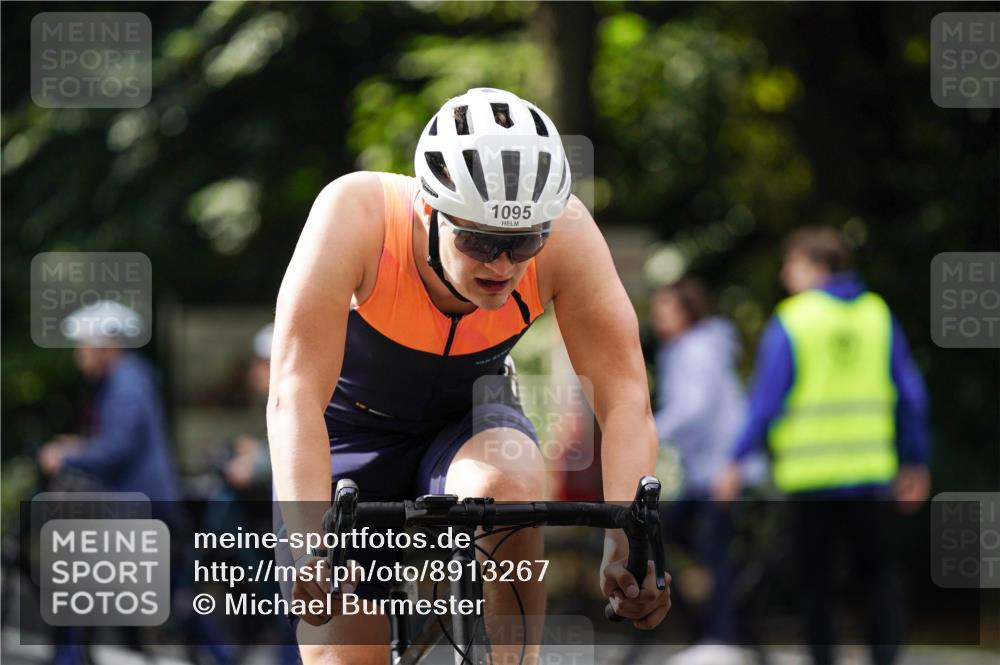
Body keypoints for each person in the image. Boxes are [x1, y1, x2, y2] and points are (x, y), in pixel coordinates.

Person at [268, 87, 671, 665]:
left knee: (506, 494)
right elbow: (294, 395)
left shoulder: (570, 236)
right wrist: (309, 542)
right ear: (428, 210)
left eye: (523, 242)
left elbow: (625, 397)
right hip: (345, 436)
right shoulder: (355, 215)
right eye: (479, 239)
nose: (502, 265)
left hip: (469, 418)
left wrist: (626, 546)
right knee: (342, 649)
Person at [714, 227, 931, 665]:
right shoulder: (877, 315)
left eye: (790, 264)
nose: (783, 274)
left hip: (812, 479)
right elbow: (910, 393)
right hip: (872, 475)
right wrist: (916, 461)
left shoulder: (795, 319)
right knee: (878, 579)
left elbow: (765, 401)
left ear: (817, 266)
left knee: (816, 585)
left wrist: (736, 460)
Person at [37, 300, 235, 665]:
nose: (78, 355)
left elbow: (118, 450)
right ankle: (222, 656)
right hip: (148, 506)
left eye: (83, 345)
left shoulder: (126, 383)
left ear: (106, 345)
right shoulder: (131, 377)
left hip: (141, 507)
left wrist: (65, 455)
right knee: (173, 594)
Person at [649, 277, 747, 662]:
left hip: (723, 470)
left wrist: (647, 433)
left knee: (711, 551)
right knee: (673, 534)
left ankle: (721, 639)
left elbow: (695, 406)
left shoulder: (697, 348)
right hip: (705, 471)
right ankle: (718, 613)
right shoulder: (683, 349)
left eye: (666, 309)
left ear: (687, 310)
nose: (658, 317)